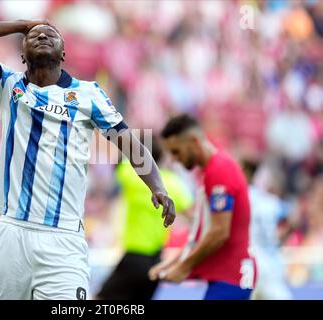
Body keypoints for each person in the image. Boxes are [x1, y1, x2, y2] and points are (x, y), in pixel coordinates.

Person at [0, 19, 176, 300]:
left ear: (63, 53)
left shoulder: (88, 94)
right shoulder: (7, 85)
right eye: (34, 35)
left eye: (51, 34)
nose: (42, 35)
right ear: (22, 52)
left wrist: (158, 186)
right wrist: (21, 25)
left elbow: (130, 143)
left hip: (64, 238)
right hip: (12, 232)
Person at [149, 114, 256, 300]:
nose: (174, 160)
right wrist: (172, 262)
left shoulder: (219, 170)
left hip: (232, 276)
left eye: (176, 152)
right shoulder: (211, 171)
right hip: (227, 277)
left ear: (193, 141)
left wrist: (183, 267)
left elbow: (219, 232)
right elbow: (201, 233)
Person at [96, 136, 193, 300]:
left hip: (133, 257)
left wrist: (134, 145)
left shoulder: (130, 174)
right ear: (162, 156)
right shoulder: (174, 183)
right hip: (156, 260)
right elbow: (193, 217)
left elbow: (120, 160)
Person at [242, 159, 294, 300]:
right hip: (272, 263)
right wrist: (279, 239)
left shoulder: (241, 197)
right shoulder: (272, 202)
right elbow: (293, 218)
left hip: (249, 264)